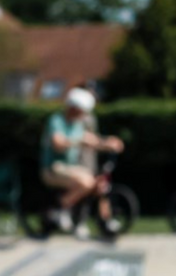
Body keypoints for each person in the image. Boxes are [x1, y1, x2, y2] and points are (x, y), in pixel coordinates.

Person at [40, 87, 124, 238]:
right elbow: (58, 144)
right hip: (54, 168)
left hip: (72, 168)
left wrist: (108, 143)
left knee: (100, 184)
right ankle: (61, 209)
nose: (82, 115)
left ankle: (105, 221)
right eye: (81, 111)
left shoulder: (77, 124)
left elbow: (91, 140)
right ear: (73, 108)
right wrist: (77, 141)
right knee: (86, 182)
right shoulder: (57, 120)